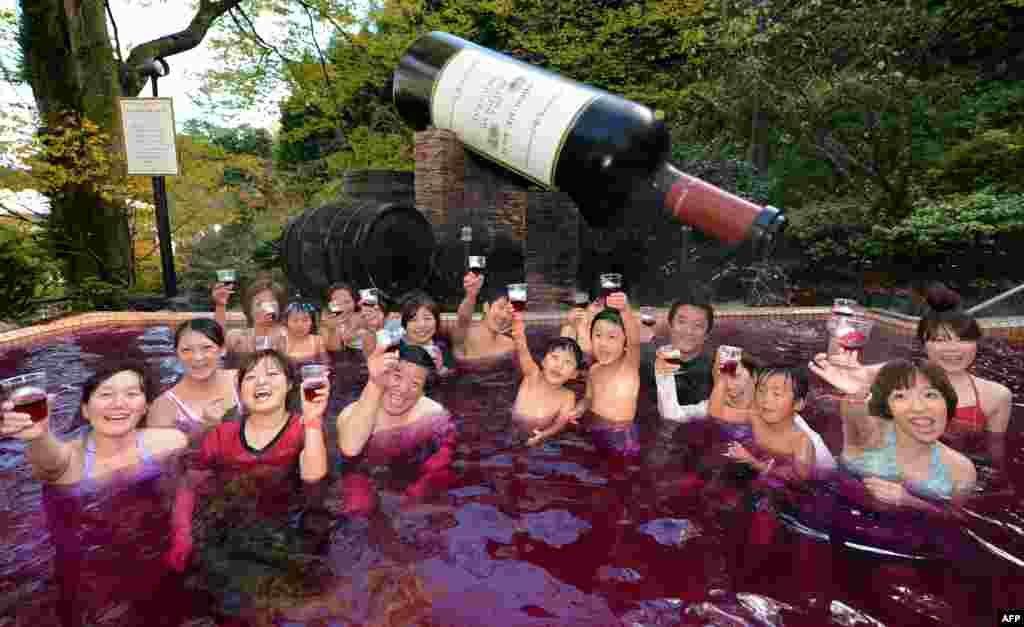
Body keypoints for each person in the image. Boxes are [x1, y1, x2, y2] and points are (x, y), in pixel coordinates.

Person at [1, 363, 191, 627]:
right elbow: (50, 464)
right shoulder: (71, 461)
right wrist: (38, 436)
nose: (118, 403)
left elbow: (182, 487)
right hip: (88, 570)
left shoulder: (170, 442)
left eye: (131, 394)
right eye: (105, 394)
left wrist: (182, 533)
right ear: (85, 410)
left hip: (151, 552)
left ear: (146, 406)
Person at [165, 349, 330, 625]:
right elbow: (189, 487)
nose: (261, 382)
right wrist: (182, 534)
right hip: (231, 527)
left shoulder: (303, 429)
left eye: (272, 374)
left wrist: (313, 419)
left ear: (290, 384)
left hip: (290, 529)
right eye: (250, 377)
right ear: (240, 391)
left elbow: (314, 480)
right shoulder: (221, 435)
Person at [823, 283, 1012, 458]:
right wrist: (838, 333)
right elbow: (844, 374)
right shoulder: (895, 373)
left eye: (963, 339)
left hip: (947, 480)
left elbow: (994, 457)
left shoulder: (996, 395)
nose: (953, 349)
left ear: (976, 343)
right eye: (939, 340)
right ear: (924, 344)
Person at [810, 357, 977, 506]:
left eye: (930, 395)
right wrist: (859, 390)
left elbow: (954, 520)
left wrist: (910, 502)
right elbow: (857, 407)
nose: (919, 407)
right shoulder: (870, 432)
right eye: (901, 396)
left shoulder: (961, 470)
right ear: (887, 407)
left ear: (946, 401)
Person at [335, 343, 457, 515]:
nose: (403, 390)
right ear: (382, 374)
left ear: (423, 391)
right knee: (358, 509)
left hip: (408, 481)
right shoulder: (350, 414)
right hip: (363, 475)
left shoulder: (433, 415)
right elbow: (350, 449)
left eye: (415, 384)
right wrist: (374, 382)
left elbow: (443, 458)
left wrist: (417, 494)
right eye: (397, 377)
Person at [574, 293, 642, 462]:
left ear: (625, 344)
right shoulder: (594, 371)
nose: (603, 343)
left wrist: (625, 310)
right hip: (596, 429)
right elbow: (588, 398)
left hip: (622, 436)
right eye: (597, 335)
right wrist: (578, 410)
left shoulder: (628, 368)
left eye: (612, 337)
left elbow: (634, 340)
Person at [149, 320, 239, 440]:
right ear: (176, 354)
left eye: (206, 348)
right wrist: (205, 430)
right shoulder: (164, 406)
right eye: (186, 350)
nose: (197, 357)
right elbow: (158, 454)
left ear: (222, 349)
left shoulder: (242, 381)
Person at [510, 312, 584, 446]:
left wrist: (544, 435)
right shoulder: (533, 376)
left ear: (574, 374)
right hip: (510, 433)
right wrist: (519, 335)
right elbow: (523, 351)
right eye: (554, 357)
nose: (559, 365)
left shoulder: (567, 396)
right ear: (543, 362)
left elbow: (560, 423)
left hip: (540, 439)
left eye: (567, 362)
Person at [650, 297, 716, 411]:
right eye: (682, 322)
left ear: (706, 335)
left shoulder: (716, 371)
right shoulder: (648, 363)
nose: (688, 331)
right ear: (670, 326)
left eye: (698, 325)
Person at [450, 272, 516, 362]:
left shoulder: (510, 345)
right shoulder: (467, 335)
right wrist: (471, 295)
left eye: (509, 312)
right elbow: (463, 320)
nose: (504, 316)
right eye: (500, 307)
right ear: (486, 307)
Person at [217, 277, 287, 356]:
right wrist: (220, 305)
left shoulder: (287, 336)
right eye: (259, 304)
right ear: (249, 308)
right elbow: (216, 339)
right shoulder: (237, 337)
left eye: (271, 303)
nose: (265, 308)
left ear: (280, 307)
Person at [399, 290, 454, 376]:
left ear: (436, 322)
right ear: (404, 324)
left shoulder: (442, 349)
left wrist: (440, 371)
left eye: (427, 318)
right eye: (413, 320)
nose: (421, 325)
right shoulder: (395, 351)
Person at [322, 282, 364, 353]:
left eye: (347, 302)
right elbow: (334, 349)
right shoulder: (328, 321)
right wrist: (333, 329)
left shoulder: (363, 315)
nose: (343, 307)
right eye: (337, 303)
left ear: (354, 301)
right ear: (329, 305)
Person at [282, 300, 327, 365]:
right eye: (295, 320)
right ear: (286, 323)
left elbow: (326, 364)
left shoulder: (317, 341)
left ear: (312, 322)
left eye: (305, 320)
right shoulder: (282, 342)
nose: (300, 325)